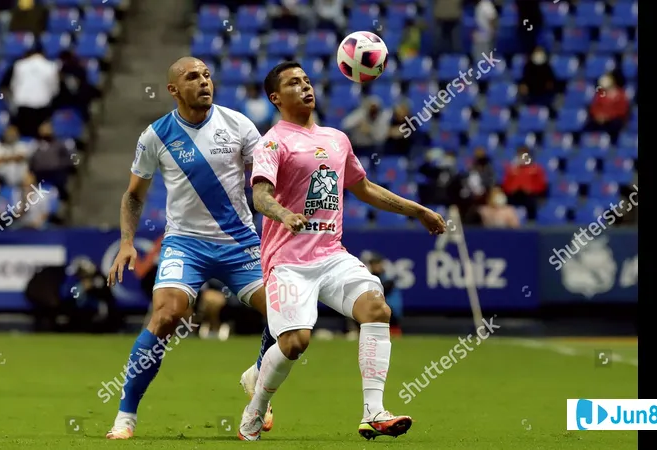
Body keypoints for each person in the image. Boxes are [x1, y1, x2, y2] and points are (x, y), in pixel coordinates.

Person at [238, 61, 446, 441]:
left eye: (306, 80)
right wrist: (284, 213)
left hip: (331, 256)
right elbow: (260, 196)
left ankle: (374, 411)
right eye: (292, 83)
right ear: (275, 98)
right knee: (295, 343)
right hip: (288, 261)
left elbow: (364, 187)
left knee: (376, 308)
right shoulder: (273, 141)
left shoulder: (336, 139)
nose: (304, 87)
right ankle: (255, 408)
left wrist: (417, 210)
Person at [104, 57, 277, 440]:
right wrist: (127, 241)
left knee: (286, 317)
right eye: (192, 77)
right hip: (185, 243)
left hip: (240, 242)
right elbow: (134, 196)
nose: (204, 81)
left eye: (207, 75)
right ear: (173, 90)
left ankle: (257, 386)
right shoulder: (156, 135)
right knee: (166, 315)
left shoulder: (240, 125)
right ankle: (126, 416)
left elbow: (265, 184)